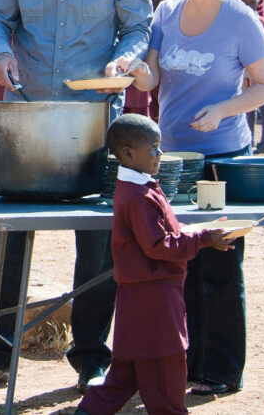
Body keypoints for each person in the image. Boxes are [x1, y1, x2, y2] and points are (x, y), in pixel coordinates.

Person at [0, 0, 152, 391]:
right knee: (9, 241)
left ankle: (91, 358)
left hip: (95, 120)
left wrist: (122, 62)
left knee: (97, 244)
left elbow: (137, 25)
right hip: (26, 117)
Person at [124, 0, 264, 396]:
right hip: (171, 162)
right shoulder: (165, 13)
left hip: (224, 159)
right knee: (180, 263)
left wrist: (225, 109)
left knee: (222, 266)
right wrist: (132, 71)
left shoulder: (240, 20)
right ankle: (186, 364)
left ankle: (222, 371)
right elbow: (150, 77)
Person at [75, 114, 232, 415]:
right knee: (168, 365)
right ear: (128, 153)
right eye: (154, 148)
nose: (160, 154)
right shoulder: (138, 195)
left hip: (140, 294)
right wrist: (202, 239)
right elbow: (159, 246)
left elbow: (162, 232)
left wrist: (201, 230)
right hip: (155, 296)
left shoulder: (139, 186)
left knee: (125, 374)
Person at [236, 0, 264, 154]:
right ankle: (249, 140)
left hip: (260, 71)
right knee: (247, 106)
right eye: (245, 3)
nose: (249, 6)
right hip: (243, 72)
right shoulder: (236, 25)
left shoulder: (263, 23)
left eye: (253, 3)